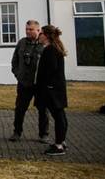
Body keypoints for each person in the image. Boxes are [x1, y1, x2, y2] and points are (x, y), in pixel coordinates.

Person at [10, 20, 49, 142]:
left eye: (31, 29)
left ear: (38, 30)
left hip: (39, 84)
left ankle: (44, 134)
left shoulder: (43, 44)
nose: (28, 31)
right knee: (20, 109)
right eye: (27, 29)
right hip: (24, 83)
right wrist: (18, 75)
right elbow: (14, 61)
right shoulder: (21, 43)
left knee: (43, 110)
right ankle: (17, 132)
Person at [35, 25, 69, 156]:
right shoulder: (54, 49)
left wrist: (47, 85)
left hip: (52, 89)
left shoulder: (50, 50)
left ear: (47, 35)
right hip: (56, 88)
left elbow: (50, 69)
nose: (39, 36)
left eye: (41, 33)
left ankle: (59, 145)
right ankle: (62, 141)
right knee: (60, 115)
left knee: (58, 116)